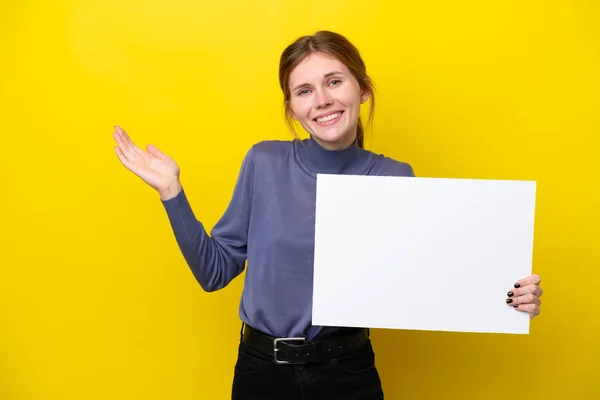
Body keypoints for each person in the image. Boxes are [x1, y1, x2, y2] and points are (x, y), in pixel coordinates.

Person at [112, 30, 543, 400]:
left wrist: (506, 295)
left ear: (362, 88)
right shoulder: (264, 162)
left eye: (334, 82)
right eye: (304, 91)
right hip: (262, 372)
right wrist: (171, 191)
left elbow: (429, 279)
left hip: (347, 372)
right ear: (293, 109)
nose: (322, 100)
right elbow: (214, 273)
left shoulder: (395, 177)